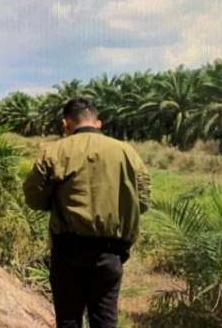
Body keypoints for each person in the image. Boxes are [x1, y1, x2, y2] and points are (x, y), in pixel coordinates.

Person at [23, 98, 151, 328]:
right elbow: (142, 201)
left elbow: (34, 199)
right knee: (105, 320)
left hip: (68, 251)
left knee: (69, 320)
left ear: (66, 123)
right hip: (111, 254)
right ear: (98, 123)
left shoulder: (55, 151)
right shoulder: (127, 152)